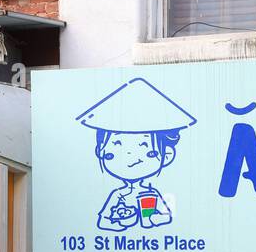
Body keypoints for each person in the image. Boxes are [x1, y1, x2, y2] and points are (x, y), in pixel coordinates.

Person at [76, 78, 196, 232]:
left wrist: (155, 219)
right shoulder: (118, 195)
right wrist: (118, 224)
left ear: (166, 155)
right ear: (101, 151)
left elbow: (166, 216)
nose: (130, 157)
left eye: (147, 150)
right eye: (116, 146)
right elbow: (103, 222)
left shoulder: (151, 195)